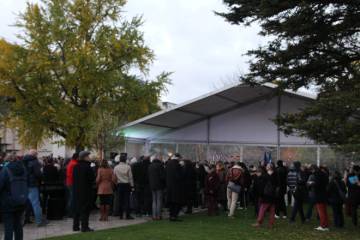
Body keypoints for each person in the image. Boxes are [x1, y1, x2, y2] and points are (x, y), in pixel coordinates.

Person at [0, 153, 28, 240]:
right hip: (21, 200)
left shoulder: (5, 170)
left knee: (8, 227)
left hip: (8, 202)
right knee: (18, 225)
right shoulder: (23, 169)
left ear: (7, 161)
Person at [23, 150, 47, 227]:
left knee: (27, 203)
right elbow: (38, 174)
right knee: (36, 203)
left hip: (24, 184)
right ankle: (39, 221)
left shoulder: (23, 161)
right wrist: (43, 177)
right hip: (33, 184)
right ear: (35, 155)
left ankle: (26, 219)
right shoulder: (35, 162)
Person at [72, 151, 95, 232]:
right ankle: (84, 227)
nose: (89, 157)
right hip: (85, 191)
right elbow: (92, 179)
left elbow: (73, 179)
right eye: (88, 156)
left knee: (77, 208)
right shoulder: (87, 167)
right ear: (85, 157)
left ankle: (75, 226)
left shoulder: (75, 166)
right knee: (85, 209)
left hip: (76, 190)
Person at [253, 163, 278, 229]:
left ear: (270, 167)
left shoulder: (265, 176)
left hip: (266, 195)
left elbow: (262, 186)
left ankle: (259, 222)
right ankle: (271, 224)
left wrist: (261, 194)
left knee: (262, 209)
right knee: (272, 210)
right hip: (273, 195)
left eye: (267, 166)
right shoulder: (276, 175)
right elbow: (278, 185)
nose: (266, 167)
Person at [308, 165, 329, 231]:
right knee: (324, 211)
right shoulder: (324, 174)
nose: (311, 172)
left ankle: (323, 226)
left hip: (319, 195)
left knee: (321, 211)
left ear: (313, 169)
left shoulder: (317, 174)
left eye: (311, 170)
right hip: (324, 194)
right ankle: (325, 224)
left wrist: (311, 183)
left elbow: (317, 184)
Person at [114, 154, 134, 220]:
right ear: (125, 160)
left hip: (119, 185)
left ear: (119, 160)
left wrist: (116, 183)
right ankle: (127, 215)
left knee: (120, 200)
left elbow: (114, 177)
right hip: (126, 184)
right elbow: (130, 177)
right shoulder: (128, 167)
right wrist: (132, 186)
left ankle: (121, 215)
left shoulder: (116, 167)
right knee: (127, 200)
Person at [165, 153, 184, 221]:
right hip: (176, 186)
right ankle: (174, 216)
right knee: (176, 201)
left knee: (171, 202)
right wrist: (182, 168)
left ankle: (171, 215)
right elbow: (179, 176)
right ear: (178, 158)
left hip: (169, 185)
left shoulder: (168, 163)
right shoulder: (177, 164)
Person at [148, 155, 165, 220]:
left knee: (154, 201)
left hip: (152, 185)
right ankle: (158, 215)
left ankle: (154, 215)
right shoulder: (160, 166)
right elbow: (162, 176)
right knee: (159, 200)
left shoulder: (150, 166)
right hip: (159, 185)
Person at [65, 153, 78, 217]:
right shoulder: (74, 164)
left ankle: (69, 212)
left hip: (69, 182)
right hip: (72, 182)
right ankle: (71, 212)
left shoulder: (71, 162)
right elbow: (74, 174)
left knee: (71, 197)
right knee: (72, 198)